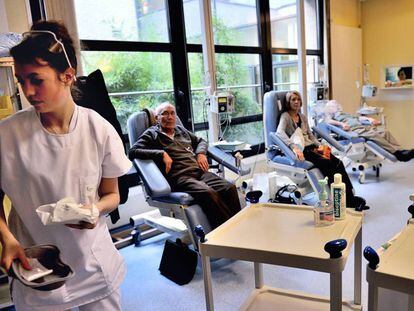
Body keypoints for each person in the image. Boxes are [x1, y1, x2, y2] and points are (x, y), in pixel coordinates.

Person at [0, 20, 131, 310]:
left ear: (67, 75)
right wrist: (7, 239)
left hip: (93, 265)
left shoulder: (99, 130)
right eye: (22, 81)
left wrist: (95, 210)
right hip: (36, 268)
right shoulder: (6, 135)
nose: (28, 92)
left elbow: (112, 195)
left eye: (37, 79)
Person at [128, 102, 241, 229]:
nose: (170, 117)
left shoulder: (181, 130)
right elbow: (132, 152)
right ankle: (225, 230)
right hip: (180, 177)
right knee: (208, 193)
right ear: (156, 118)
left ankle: (238, 226)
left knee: (229, 187)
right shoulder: (152, 134)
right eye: (165, 113)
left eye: (172, 113)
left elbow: (201, 141)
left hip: (199, 172)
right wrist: (161, 154)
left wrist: (201, 153)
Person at [276, 91, 368, 210]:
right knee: (328, 165)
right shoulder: (285, 116)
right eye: (293, 99)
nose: (296, 102)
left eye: (298, 99)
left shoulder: (302, 116)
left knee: (338, 163)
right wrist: (293, 146)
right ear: (288, 102)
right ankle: (339, 200)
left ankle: (350, 198)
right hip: (303, 150)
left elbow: (310, 135)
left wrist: (320, 146)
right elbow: (279, 133)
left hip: (312, 148)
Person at [323, 100, 414, 162]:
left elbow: (358, 117)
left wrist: (370, 119)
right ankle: (398, 154)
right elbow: (328, 121)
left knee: (385, 132)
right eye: (333, 106)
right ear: (330, 109)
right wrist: (342, 124)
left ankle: (401, 150)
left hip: (363, 127)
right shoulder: (333, 117)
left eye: (336, 105)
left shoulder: (345, 114)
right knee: (374, 135)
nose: (336, 106)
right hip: (354, 130)